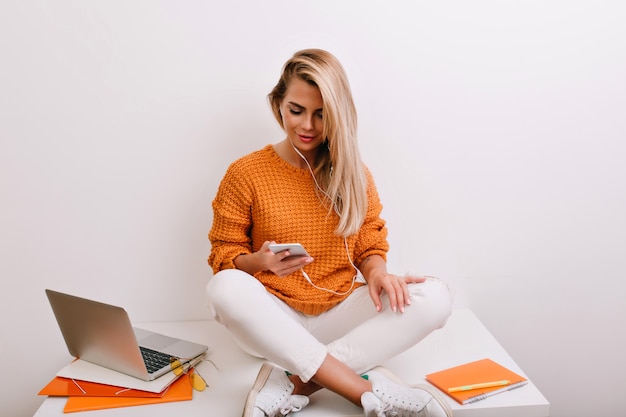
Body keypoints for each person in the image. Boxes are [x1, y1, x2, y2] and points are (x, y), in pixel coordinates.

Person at [206, 49, 453, 417]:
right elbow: (223, 254)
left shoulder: (354, 173)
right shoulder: (246, 173)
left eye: (321, 114)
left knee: (435, 297)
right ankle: (362, 389)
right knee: (223, 287)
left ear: (338, 114)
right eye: (297, 110)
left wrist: (378, 274)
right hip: (273, 322)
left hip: (338, 315)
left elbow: (369, 239)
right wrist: (262, 263)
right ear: (278, 105)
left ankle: (293, 381)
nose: (307, 125)